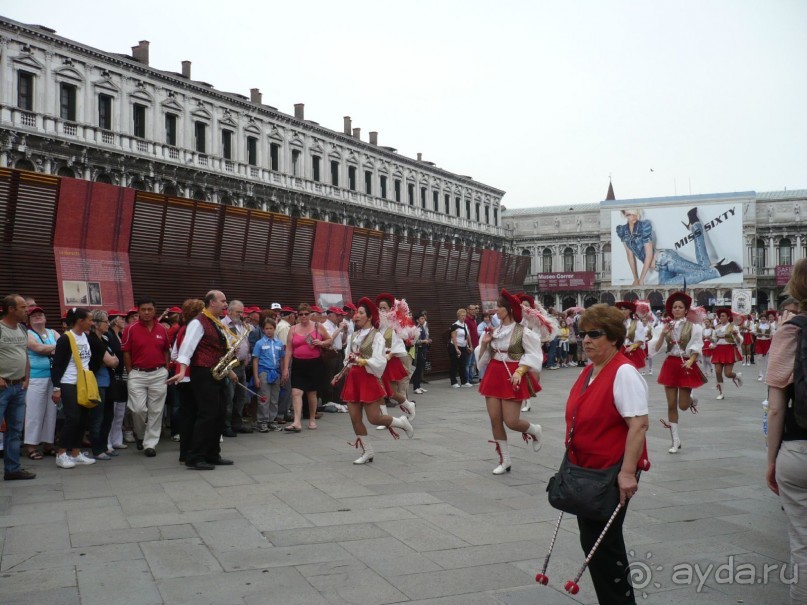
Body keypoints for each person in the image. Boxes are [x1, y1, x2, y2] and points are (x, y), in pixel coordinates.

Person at [561, 303, 649, 605]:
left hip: (610, 472)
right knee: (594, 543)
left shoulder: (623, 371)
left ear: (613, 337)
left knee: (603, 545)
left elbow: (639, 424)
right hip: (587, 471)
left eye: (594, 334)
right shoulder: (590, 370)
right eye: (583, 334)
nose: (586, 340)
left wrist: (627, 473)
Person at [765, 258, 807, 605]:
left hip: (798, 449)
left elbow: (776, 407)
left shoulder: (790, 330)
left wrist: (771, 459)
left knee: (803, 545)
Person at [474, 290, 544, 475]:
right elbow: (482, 361)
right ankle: (505, 460)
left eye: (499, 307)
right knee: (495, 420)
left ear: (509, 309)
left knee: (511, 421)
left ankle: (534, 430)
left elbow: (534, 355)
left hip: (513, 374)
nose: (496, 310)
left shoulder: (522, 331)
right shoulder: (493, 331)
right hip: (493, 374)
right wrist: (484, 344)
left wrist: (520, 371)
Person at [339, 297, 413, 464]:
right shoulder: (353, 335)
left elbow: (380, 362)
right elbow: (347, 356)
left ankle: (401, 423)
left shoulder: (377, 336)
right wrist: (347, 364)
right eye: (356, 312)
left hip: (368, 378)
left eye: (361, 313)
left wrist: (363, 361)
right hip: (353, 379)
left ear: (369, 316)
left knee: (374, 418)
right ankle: (368, 452)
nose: (356, 315)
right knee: (355, 418)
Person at [168, 290, 234, 470]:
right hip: (203, 373)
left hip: (216, 372)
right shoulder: (198, 322)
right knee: (207, 414)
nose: (225, 304)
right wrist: (182, 370)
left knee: (219, 413)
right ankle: (195, 456)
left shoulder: (215, 322)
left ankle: (212, 453)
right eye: (223, 301)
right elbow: (186, 348)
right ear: (212, 302)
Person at [617, 207, 742, 286]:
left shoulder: (644, 226)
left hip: (666, 259)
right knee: (703, 268)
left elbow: (649, 255)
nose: (633, 217)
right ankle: (694, 223)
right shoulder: (622, 231)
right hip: (661, 268)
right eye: (629, 215)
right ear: (624, 214)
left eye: (635, 214)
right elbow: (629, 255)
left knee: (702, 272)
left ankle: (724, 269)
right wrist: (635, 278)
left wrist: (641, 279)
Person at [649, 292, 704, 454]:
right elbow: (656, 348)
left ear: (686, 310)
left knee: (683, 406)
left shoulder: (694, 327)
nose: (677, 309)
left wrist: (691, 360)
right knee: (671, 405)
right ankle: (675, 440)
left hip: (686, 364)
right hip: (670, 365)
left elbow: (697, 346)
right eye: (674, 307)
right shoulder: (664, 326)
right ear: (671, 310)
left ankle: (692, 399)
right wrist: (663, 334)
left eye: (680, 307)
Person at [121, 297, 170, 456]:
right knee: (137, 409)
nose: (147, 312)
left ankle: (150, 444)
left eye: (150, 309)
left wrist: (166, 369)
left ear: (155, 311)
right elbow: (126, 352)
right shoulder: (130, 329)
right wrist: (130, 371)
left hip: (159, 373)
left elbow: (166, 350)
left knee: (156, 411)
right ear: (138, 311)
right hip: (137, 373)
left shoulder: (162, 329)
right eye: (143, 309)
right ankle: (141, 435)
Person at [50, 307, 97, 470]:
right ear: (80, 321)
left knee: (83, 418)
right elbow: (57, 365)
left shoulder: (86, 336)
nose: (92, 323)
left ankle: (76, 453)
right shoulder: (65, 339)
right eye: (90, 320)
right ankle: (61, 454)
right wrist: (56, 387)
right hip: (68, 382)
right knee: (73, 418)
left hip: (84, 383)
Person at [0, 294, 36, 480]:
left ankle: (12, 470)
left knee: (14, 430)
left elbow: (24, 354)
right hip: (2, 387)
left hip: (19, 386)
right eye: (23, 307)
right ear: (11, 309)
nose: (27, 310)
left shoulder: (22, 329)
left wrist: (26, 378)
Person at [282, 303, 332, 432]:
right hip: (298, 363)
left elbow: (329, 340)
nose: (304, 316)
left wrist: (321, 342)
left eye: (306, 314)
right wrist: (286, 368)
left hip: (314, 363)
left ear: (310, 314)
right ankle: (297, 421)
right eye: (301, 314)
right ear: (297, 315)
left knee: (311, 393)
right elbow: (288, 349)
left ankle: (312, 419)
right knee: (296, 392)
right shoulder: (293, 329)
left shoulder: (317, 326)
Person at [24, 306, 59, 459]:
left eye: (40, 314)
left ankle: (48, 444)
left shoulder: (53, 332)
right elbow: (37, 348)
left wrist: (50, 349)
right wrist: (55, 348)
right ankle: (31, 446)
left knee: (51, 412)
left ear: (45, 318)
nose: (38, 317)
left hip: (53, 377)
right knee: (34, 412)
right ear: (29, 320)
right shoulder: (27, 333)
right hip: (35, 377)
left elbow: (65, 347)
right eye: (34, 315)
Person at [375, 293, 417, 421]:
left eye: (385, 308)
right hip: (378, 361)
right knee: (380, 391)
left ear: (391, 309)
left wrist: (390, 355)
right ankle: (384, 418)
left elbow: (398, 344)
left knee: (392, 392)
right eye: (380, 308)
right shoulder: (377, 325)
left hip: (390, 361)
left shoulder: (394, 325)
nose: (382, 310)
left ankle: (408, 405)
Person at [87, 310, 120, 460]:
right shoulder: (92, 340)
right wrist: (112, 360)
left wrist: (113, 360)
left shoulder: (105, 339)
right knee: (97, 418)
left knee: (108, 417)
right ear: (95, 323)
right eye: (105, 321)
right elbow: (111, 361)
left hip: (108, 382)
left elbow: (115, 359)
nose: (108, 324)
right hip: (97, 383)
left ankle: (105, 446)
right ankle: (97, 449)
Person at [222, 300, 253, 436]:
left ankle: (237, 423)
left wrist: (247, 355)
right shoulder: (223, 325)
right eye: (237, 312)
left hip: (241, 364)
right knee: (229, 396)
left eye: (242, 312)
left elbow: (245, 341)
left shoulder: (242, 325)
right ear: (229, 311)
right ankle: (226, 426)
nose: (240, 314)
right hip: (229, 364)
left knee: (241, 396)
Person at [252, 317, 285, 433]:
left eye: (271, 328)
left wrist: (283, 373)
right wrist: (256, 377)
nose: (269, 331)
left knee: (274, 399)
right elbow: (255, 360)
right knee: (264, 398)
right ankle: (262, 422)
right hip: (264, 372)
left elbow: (282, 359)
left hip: (276, 373)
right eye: (266, 328)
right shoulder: (259, 343)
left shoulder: (279, 343)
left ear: (274, 329)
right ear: (263, 329)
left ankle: (272, 421)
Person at [710, 308, 743, 400]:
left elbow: (739, 341)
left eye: (723, 316)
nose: (721, 317)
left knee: (728, 374)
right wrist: (710, 340)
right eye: (720, 316)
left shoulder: (733, 327)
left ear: (728, 317)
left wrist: (735, 335)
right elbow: (714, 340)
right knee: (717, 371)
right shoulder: (717, 327)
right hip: (718, 350)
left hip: (729, 350)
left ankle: (736, 376)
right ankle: (721, 393)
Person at [615, 301, 648, 371]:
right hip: (620, 350)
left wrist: (632, 347)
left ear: (630, 311)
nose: (622, 311)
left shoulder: (637, 323)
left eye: (625, 309)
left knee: (633, 372)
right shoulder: (618, 324)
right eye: (621, 309)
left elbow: (641, 341)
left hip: (633, 350)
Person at [448, 308, 472, 387]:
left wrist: (470, 346)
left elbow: (468, 336)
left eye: (464, 315)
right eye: (462, 316)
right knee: (454, 364)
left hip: (463, 347)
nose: (463, 317)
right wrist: (456, 348)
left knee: (463, 364)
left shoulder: (465, 325)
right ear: (458, 316)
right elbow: (453, 337)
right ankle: (454, 382)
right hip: (455, 347)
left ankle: (464, 382)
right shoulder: (454, 325)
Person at [755, 310, 776, 381]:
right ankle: (760, 374)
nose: (763, 320)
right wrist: (755, 333)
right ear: (760, 319)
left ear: (766, 319)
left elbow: (773, 333)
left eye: (764, 319)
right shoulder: (757, 325)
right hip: (759, 342)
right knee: (759, 358)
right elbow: (754, 332)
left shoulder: (770, 325)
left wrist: (771, 335)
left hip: (767, 342)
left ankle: (767, 375)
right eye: (761, 319)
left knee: (767, 360)